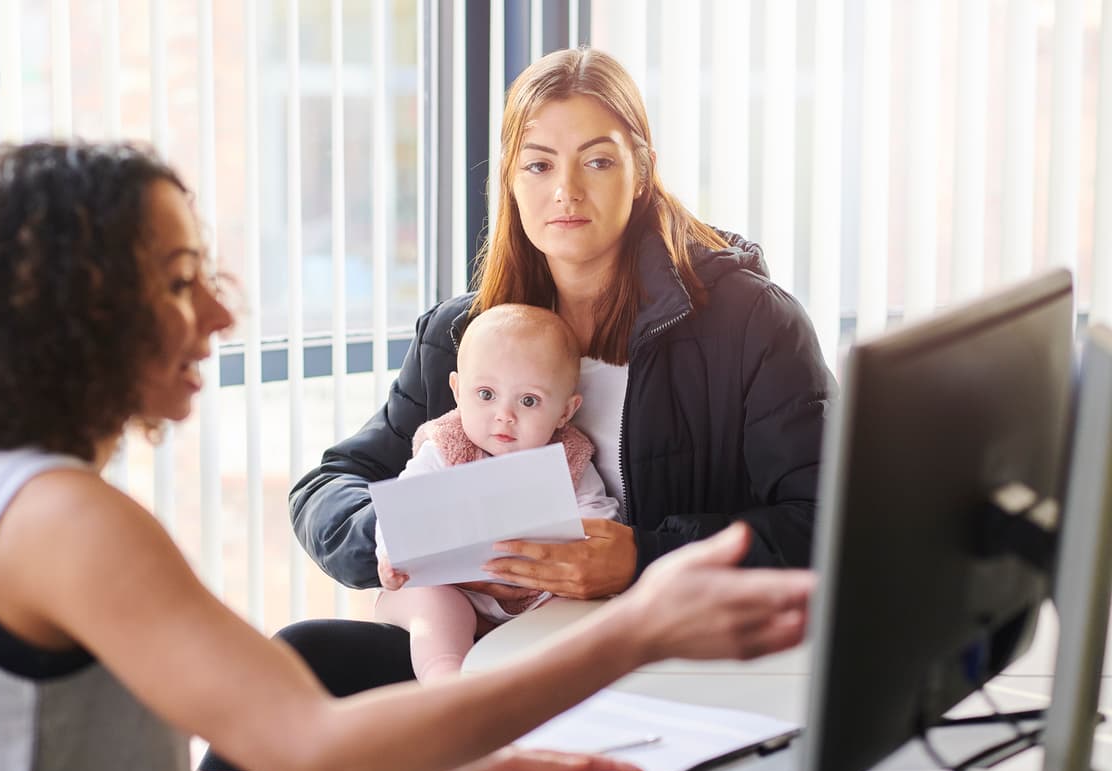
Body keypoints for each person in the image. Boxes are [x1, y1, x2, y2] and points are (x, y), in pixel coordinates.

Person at [0, 140, 816, 771]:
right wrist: (638, 627)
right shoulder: (60, 521)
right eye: (181, 282)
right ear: (70, 319)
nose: (222, 311)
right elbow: (324, 754)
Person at [281, 46, 836, 694]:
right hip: (480, 653)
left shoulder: (751, 326)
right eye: (539, 164)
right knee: (299, 658)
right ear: (511, 181)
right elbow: (328, 486)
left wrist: (641, 557)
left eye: (597, 161)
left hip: (657, 661)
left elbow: (825, 520)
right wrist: (391, 532)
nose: (565, 191)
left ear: (641, 172)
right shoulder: (465, 336)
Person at [374, 303, 619, 682]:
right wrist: (391, 555)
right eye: (486, 394)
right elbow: (402, 510)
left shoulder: (568, 459)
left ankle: (544, 682)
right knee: (433, 603)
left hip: (540, 593)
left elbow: (598, 517)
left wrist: (588, 548)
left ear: (565, 412)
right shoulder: (444, 446)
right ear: (457, 391)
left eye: (528, 401)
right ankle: (446, 678)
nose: (505, 415)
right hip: (456, 588)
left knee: (580, 610)